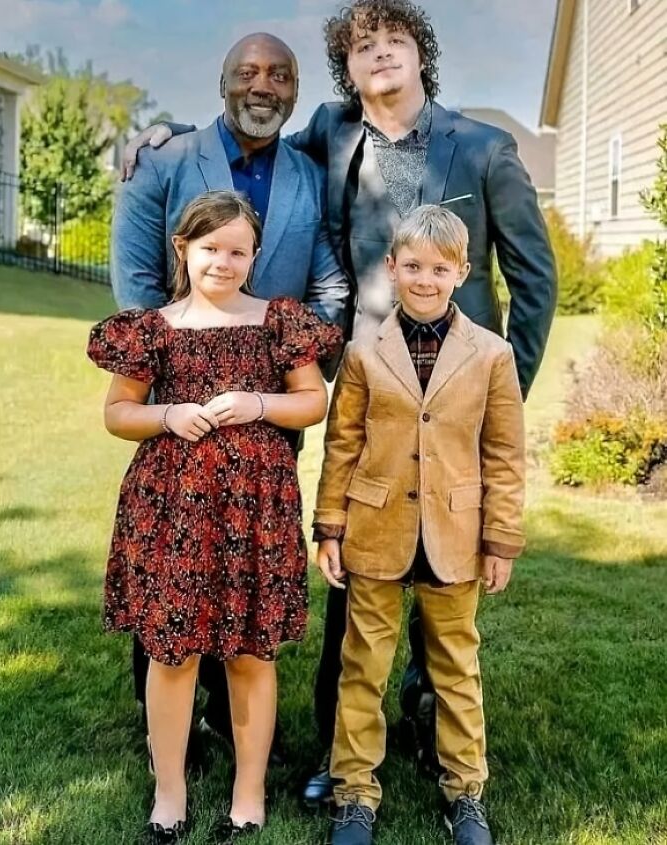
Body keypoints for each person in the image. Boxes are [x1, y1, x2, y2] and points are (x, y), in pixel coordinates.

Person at [120, 0, 556, 802]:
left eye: (394, 40)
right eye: (362, 47)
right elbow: (251, 130)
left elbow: (536, 283)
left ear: (421, 55)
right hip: (365, 395)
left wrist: (501, 397)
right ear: (347, 72)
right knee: (354, 559)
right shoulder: (333, 132)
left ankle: (435, 728)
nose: (380, 54)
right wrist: (159, 136)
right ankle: (337, 750)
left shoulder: (486, 149)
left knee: (448, 569)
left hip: (455, 396)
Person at [112, 31, 350, 762]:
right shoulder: (166, 158)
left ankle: (233, 715)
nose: (264, 85)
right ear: (221, 82)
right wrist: (164, 385)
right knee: (174, 566)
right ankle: (168, 737)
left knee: (246, 567)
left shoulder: (310, 173)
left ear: (295, 91)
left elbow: (329, 281)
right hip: (178, 411)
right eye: (248, 71)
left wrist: (300, 354)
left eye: (281, 75)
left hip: (270, 408)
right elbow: (136, 282)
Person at [87, 191, 341, 843]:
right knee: (172, 653)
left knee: (250, 652)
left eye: (237, 250)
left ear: (254, 254)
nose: (223, 261)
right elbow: (118, 412)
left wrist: (256, 402)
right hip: (170, 512)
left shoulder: (278, 321)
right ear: (183, 249)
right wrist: (168, 415)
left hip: (255, 512)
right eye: (209, 248)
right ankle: (169, 793)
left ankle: (247, 792)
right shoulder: (154, 327)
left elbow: (313, 400)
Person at [313, 205, 525, 845]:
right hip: (376, 529)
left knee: (456, 666)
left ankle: (465, 791)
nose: (425, 279)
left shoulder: (492, 355)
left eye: (439, 268)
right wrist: (329, 526)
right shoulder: (363, 353)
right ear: (391, 268)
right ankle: (355, 792)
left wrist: (501, 537)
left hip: (455, 534)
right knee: (363, 665)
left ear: (462, 271)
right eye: (413, 266)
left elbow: (505, 454)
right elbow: (342, 445)